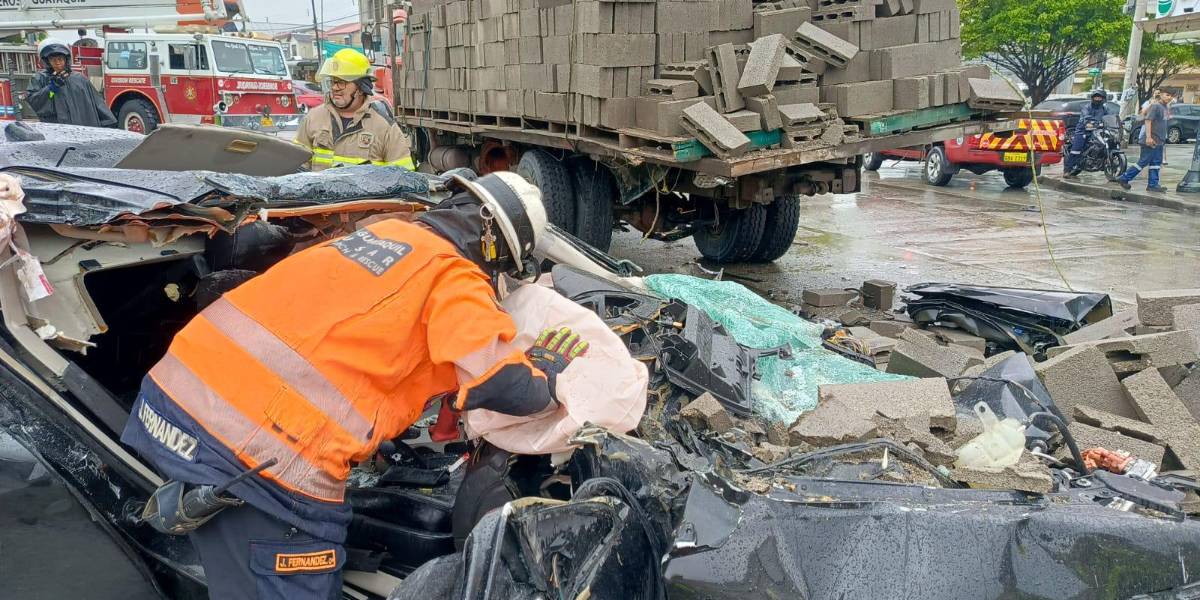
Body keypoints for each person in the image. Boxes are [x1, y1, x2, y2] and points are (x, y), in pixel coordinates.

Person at [121, 171, 585, 599]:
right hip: (256, 449)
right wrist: (548, 369)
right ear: (497, 247)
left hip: (176, 393)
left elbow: (344, 338)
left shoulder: (383, 235)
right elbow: (503, 383)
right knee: (299, 568)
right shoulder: (454, 276)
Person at [295, 48, 414, 171]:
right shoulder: (313, 118)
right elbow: (295, 167)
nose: (335, 87)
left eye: (341, 82)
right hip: (319, 191)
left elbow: (404, 178)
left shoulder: (384, 128)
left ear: (361, 87)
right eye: (332, 81)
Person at [26, 38, 115, 128]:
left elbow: (97, 103)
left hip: (85, 131)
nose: (57, 63)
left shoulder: (80, 79)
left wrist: (109, 123)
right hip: (58, 132)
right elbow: (37, 103)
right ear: (47, 61)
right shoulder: (41, 79)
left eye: (60, 59)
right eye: (53, 60)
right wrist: (51, 88)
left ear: (66, 59)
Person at [1117, 89, 1172, 193]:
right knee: (1143, 161)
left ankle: (1153, 184)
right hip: (1151, 140)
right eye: (1167, 94)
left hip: (1159, 141)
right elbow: (1148, 120)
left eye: (1171, 96)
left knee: (1156, 163)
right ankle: (1124, 178)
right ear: (1161, 95)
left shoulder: (1165, 107)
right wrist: (1148, 137)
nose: (1169, 97)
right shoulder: (1156, 106)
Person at [1063, 89, 1110, 179]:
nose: (1097, 99)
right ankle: (1067, 170)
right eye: (1096, 97)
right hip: (1083, 130)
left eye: (1099, 97)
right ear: (1092, 98)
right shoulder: (1087, 107)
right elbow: (1086, 116)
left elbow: (1109, 117)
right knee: (1076, 149)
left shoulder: (1105, 109)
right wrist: (1089, 121)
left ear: (1103, 99)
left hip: (1097, 130)